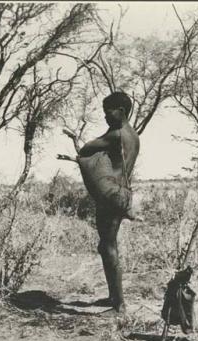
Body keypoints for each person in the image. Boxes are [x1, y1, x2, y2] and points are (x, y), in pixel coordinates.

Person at [76, 91, 140, 313]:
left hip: (112, 195)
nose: (105, 116)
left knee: (109, 246)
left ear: (121, 112)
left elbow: (86, 148)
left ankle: (119, 303)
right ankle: (114, 297)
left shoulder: (117, 134)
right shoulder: (132, 135)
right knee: (106, 245)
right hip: (121, 193)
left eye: (108, 111)